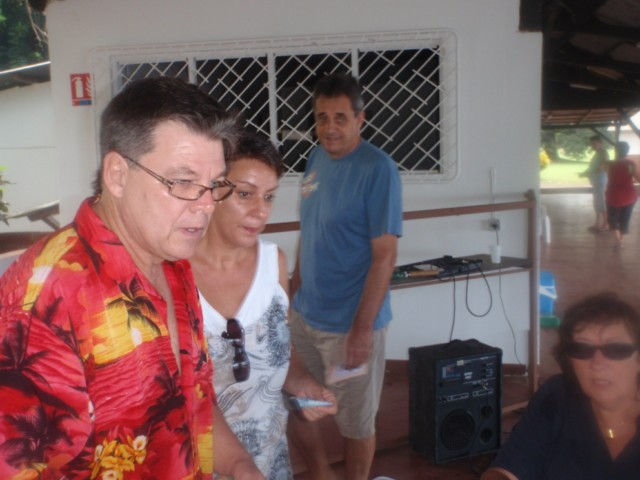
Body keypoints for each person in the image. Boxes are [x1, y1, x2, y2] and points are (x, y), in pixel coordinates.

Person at [0, 76, 257, 479]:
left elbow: (192, 397)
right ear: (117, 175)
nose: (206, 206)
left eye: (214, 184)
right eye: (184, 181)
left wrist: (242, 467)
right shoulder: (46, 300)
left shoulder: (172, 261)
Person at [191, 131, 337, 480]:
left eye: (269, 197)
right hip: (200, 465)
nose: (260, 211)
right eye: (245, 194)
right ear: (214, 190)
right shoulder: (175, 275)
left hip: (267, 462)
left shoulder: (274, 266)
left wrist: (304, 384)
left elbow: (281, 351)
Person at [288, 73, 403, 480]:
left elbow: (385, 256)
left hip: (347, 326)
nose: (330, 127)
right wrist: (293, 292)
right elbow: (311, 229)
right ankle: (321, 473)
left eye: (340, 117)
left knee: (356, 424)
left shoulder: (378, 169)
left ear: (360, 119)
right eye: (322, 118)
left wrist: (362, 330)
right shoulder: (315, 159)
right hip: (305, 316)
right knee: (299, 404)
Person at [481, 292, 640, 480]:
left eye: (615, 349)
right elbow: (508, 468)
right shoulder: (557, 396)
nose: (598, 362)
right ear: (569, 360)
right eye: (582, 349)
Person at [605, 141, 639, 248]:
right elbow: (638, 178)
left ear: (616, 151)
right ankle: (621, 240)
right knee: (625, 218)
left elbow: (608, 173)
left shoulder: (609, 164)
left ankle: (618, 240)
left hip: (613, 196)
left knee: (612, 219)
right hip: (629, 196)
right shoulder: (630, 164)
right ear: (627, 151)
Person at [583, 135, 609, 232]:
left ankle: (606, 224)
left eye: (594, 143)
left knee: (601, 202)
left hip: (600, 181)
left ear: (600, 143)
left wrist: (591, 172)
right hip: (596, 181)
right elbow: (593, 167)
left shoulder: (603, 152)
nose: (592, 145)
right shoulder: (597, 153)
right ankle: (597, 223)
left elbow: (603, 166)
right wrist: (587, 173)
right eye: (592, 143)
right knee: (597, 203)